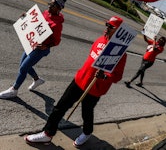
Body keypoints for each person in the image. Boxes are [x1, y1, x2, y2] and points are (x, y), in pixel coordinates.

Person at [24, 16, 127, 147]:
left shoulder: (121, 53)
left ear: (118, 31)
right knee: (59, 107)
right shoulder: (100, 40)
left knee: (86, 112)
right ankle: (47, 134)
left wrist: (105, 76)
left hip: (94, 88)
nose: (107, 28)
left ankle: (87, 132)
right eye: (107, 25)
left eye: (111, 27)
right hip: (80, 80)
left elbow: (117, 76)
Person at [0, 0, 67, 99]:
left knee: (23, 68)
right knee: (23, 65)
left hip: (41, 49)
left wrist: (46, 46)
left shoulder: (57, 24)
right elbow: (35, 22)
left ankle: (14, 90)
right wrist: (25, 17)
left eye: (53, 5)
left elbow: (57, 41)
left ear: (59, 8)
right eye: (50, 3)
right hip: (32, 43)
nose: (49, 6)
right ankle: (37, 79)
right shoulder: (46, 13)